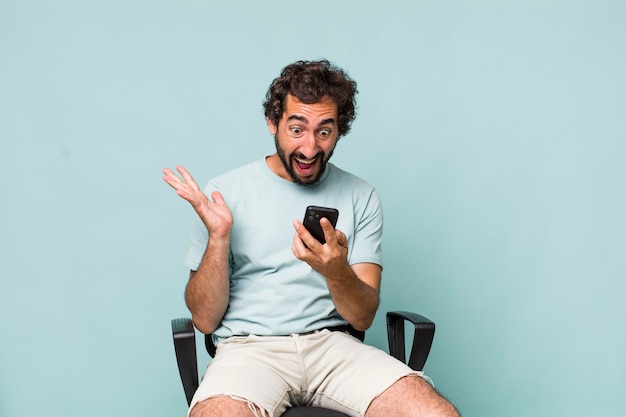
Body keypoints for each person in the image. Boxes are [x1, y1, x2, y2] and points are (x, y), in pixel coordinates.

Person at [162, 59, 460, 417]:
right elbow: (205, 321)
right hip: (249, 352)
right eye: (297, 128)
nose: (309, 147)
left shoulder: (360, 195)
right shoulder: (224, 193)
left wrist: (336, 271)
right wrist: (219, 238)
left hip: (333, 348)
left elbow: (362, 317)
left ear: (339, 131)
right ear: (273, 123)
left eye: (324, 131)